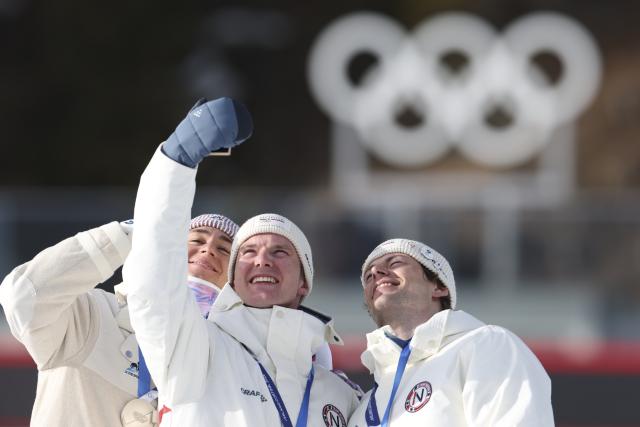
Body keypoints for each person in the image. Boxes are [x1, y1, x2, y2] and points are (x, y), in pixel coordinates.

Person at [124, 97, 360, 426]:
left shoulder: (339, 394)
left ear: (304, 281)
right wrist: (176, 160)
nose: (262, 260)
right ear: (233, 281)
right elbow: (154, 277)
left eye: (280, 252)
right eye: (248, 253)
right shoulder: (197, 349)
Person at [0, 207, 240, 427]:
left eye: (224, 249)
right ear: (165, 249)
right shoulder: (93, 317)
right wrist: (139, 231)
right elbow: (24, 298)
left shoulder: (228, 362)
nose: (208, 250)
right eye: (196, 240)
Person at [347, 238, 554, 427]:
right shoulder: (364, 407)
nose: (376, 273)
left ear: (438, 287)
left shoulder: (487, 345)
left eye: (395, 263)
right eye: (368, 276)